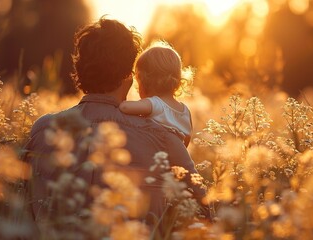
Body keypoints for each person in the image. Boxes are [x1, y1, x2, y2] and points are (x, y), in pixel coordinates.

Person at [23, 18, 208, 223]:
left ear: (79, 70)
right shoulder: (162, 137)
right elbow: (201, 202)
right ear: (129, 77)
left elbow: (22, 210)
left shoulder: (42, 129)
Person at [119, 41, 193, 147]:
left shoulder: (155, 104)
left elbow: (124, 107)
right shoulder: (186, 111)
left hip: (152, 159)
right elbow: (187, 139)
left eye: (138, 82)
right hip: (172, 161)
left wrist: (124, 90)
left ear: (146, 81)